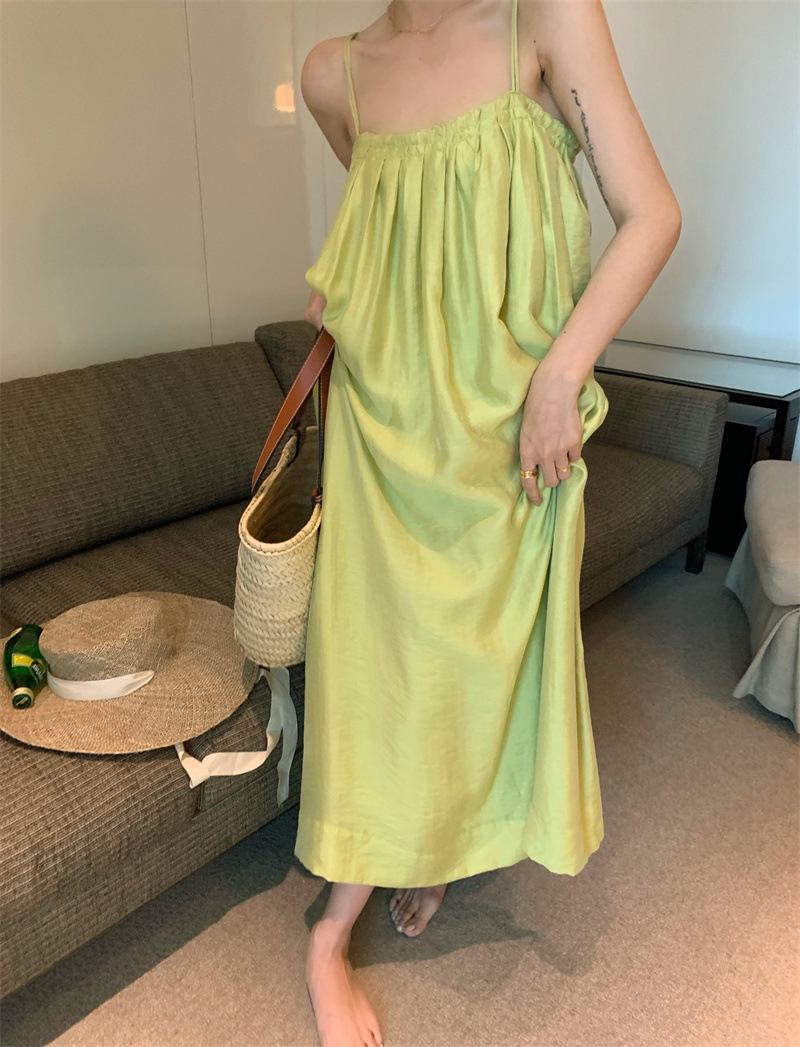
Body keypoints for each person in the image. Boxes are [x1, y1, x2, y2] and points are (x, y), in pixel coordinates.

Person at [297, 1, 681, 1044]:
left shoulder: (544, 19)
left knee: (474, 667)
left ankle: (431, 842)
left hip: (508, 432)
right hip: (382, 432)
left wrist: (560, 375)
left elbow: (649, 213)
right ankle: (330, 934)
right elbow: (398, 225)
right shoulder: (334, 72)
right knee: (377, 674)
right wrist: (365, 288)